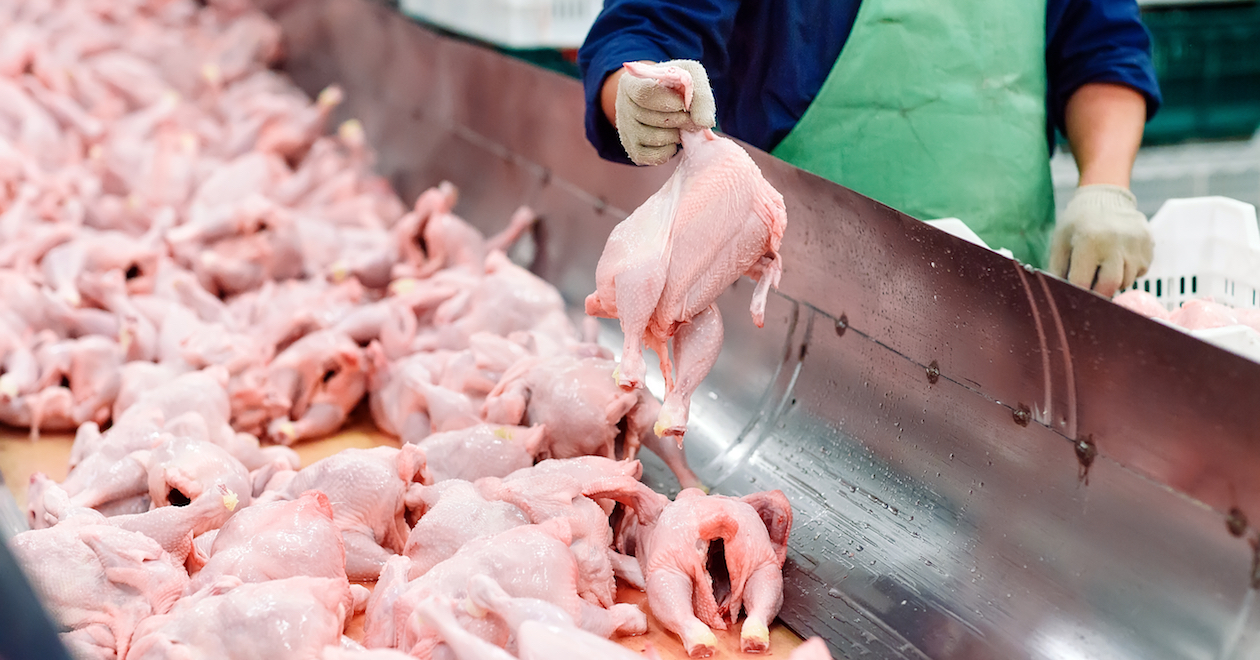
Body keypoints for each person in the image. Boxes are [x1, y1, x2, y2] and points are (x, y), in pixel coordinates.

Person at [577, 0, 1163, 298]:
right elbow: (645, 28)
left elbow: (1103, 50)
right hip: (790, 303)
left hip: (1003, 292)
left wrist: (1106, 187)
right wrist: (634, 89)